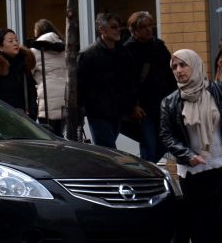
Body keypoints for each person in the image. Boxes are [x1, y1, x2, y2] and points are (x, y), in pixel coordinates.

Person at [159, 49, 222, 243]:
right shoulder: (171, 101)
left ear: (195, 66)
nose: (179, 71)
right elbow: (167, 136)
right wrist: (187, 156)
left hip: (219, 165)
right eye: (174, 67)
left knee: (220, 223)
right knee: (203, 226)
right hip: (193, 173)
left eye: (183, 65)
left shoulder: (216, 92)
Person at [123, 12, 175, 161]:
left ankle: (149, 170)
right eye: (143, 27)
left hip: (163, 103)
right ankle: (149, 175)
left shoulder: (159, 46)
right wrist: (132, 105)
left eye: (149, 25)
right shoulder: (128, 50)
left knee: (165, 142)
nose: (148, 30)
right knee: (149, 145)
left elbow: (170, 75)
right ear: (134, 31)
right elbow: (126, 82)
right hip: (143, 107)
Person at [77, 12, 130, 148]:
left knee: (108, 148)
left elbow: (126, 80)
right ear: (101, 29)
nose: (118, 30)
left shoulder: (122, 52)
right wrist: (80, 110)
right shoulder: (88, 55)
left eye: (119, 27)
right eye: (113, 27)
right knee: (108, 148)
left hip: (117, 110)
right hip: (98, 111)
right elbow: (80, 85)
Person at [0, 27, 37, 117]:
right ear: (0, 47)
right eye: (10, 41)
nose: (15, 43)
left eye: (16, 40)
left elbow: (32, 94)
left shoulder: (24, 64)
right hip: (1, 118)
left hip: (22, 119)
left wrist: (32, 115)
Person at [28, 19, 66, 134]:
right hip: (64, 96)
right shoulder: (64, 48)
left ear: (38, 32)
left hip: (45, 97)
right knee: (60, 134)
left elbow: (29, 73)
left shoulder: (34, 51)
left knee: (47, 135)